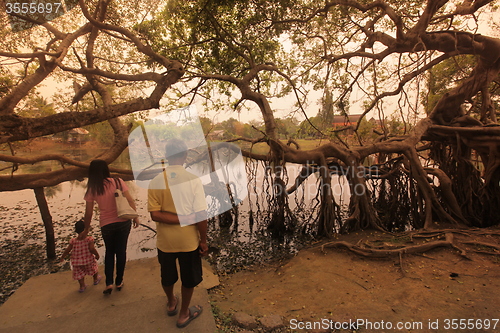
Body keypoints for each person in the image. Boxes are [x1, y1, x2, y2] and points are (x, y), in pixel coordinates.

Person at [148, 138, 208, 328]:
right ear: (185, 155)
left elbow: (155, 215)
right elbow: (201, 215)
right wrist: (204, 240)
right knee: (189, 278)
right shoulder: (193, 180)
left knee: (167, 276)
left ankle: (172, 302)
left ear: (166, 157)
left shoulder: (156, 181)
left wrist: (180, 218)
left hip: (165, 242)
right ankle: (183, 314)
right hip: (188, 241)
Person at [83, 159, 140, 294]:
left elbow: (89, 212)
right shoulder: (118, 182)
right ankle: (119, 281)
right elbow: (130, 200)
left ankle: (109, 283)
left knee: (109, 252)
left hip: (106, 224)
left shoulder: (93, 188)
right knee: (121, 252)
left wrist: (86, 229)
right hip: (123, 222)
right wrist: (135, 216)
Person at [60, 219, 101, 293]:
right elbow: (91, 249)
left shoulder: (73, 241)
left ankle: (82, 286)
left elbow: (67, 250)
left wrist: (63, 256)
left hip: (76, 262)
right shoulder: (89, 239)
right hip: (88, 260)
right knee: (93, 268)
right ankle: (95, 279)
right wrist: (97, 255)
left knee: (79, 274)